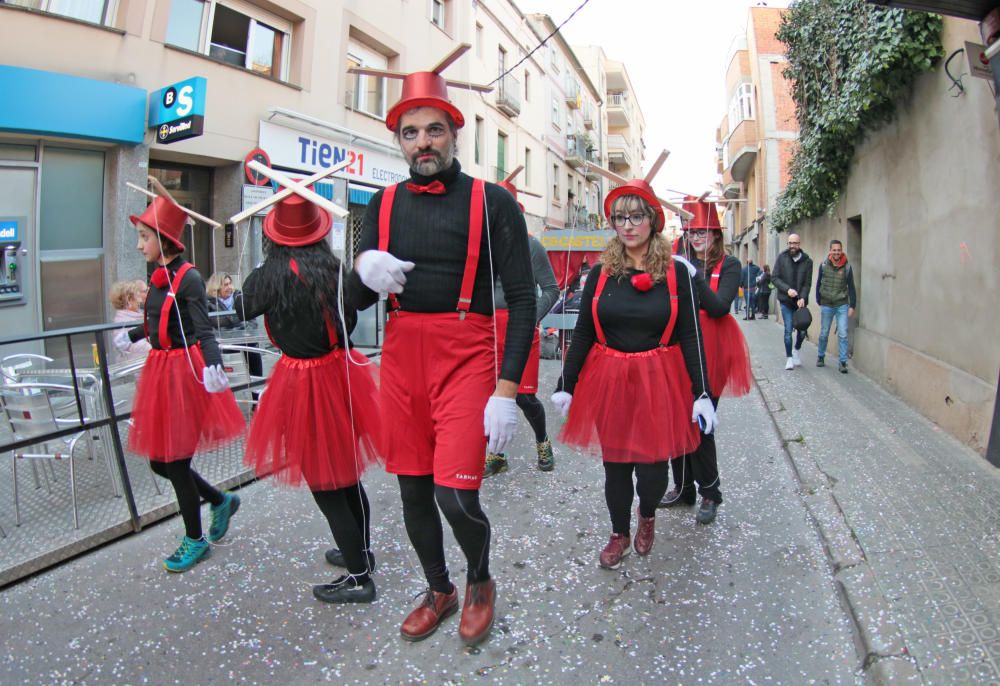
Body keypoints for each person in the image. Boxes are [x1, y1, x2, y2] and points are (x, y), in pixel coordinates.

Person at [349, 65, 535, 646]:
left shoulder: (494, 202)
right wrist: (359, 268)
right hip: (402, 356)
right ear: (398, 139)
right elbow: (351, 302)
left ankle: (479, 580)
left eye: (434, 130)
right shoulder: (376, 207)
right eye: (410, 132)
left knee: (456, 494)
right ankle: (439, 588)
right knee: (411, 490)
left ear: (455, 133)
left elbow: (525, 301)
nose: (423, 142)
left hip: (467, 355)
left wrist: (507, 392)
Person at [551, 181, 716, 570]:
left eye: (635, 216)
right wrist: (566, 385)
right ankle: (618, 533)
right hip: (610, 378)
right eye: (619, 218)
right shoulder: (602, 274)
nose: (626, 226)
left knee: (653, 467)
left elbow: (691, 334)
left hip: (659, 378)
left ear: (653, 221)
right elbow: (585, 332)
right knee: (615, 465)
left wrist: (702, 392)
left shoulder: (676, 274)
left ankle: (647, 514)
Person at [233, 193, 382, 604]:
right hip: (341, 373)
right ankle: (361, 554)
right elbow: (350, 319)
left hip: (304, 381)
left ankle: (358, 578)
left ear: (274, 237)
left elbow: (241, 310)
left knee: (325, 483)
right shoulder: (334, 269)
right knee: (346, 472)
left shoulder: (269, 277)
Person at [119, 195, 244, 573]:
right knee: (160, 461)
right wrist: (133, 333)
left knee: (174, 462)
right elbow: (161, 321)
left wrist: (215, 367)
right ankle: (220, 500)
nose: (139, 245)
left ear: (164, 237)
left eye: (144, 236)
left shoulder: (188, 277)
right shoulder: (157, 277)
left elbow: (202, 329)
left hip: (183, 375)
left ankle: (195, 539)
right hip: (160, 371)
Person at [658, 198, 750, 523]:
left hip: (714, 350)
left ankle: (710, 492)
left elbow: (719, 306)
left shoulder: (730, 265)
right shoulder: (677, 260)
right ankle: (683, 489)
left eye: (704, 231)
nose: (697, 237)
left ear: (715, 234)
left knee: (701, 420)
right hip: (681, 349)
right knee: (676, 419)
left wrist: (694, 275)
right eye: (692, 231)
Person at [483, 182, 560, 476]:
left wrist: (530, 318)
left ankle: (543, 441)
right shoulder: (482, 247)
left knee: (523, 396)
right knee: (490, 394)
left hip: (520, 327)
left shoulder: (531, 246)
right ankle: (497, 453)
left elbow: (552, 290)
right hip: (487, 331)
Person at [771, 233, 814, 370]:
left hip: (800, 303)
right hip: (785, 301)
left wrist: (803, 297)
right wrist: (787, 289)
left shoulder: (807, 261)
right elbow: (775, 278)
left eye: (795, 243)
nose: (792, 246)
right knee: (788, 331)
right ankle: (789, 358)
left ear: (799, 244)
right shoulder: (781, 258)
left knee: (802, 332)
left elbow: (807, 283)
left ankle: (796, 350)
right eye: (790, 243)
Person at [815, 239, 857, 373]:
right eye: (834, 250)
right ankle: (821, 356)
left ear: (841, 250)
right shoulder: (823, 265)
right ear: (830, 251)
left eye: (839, 250)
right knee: (824, 333)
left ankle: (843, 362)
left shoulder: (847, 267)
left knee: (843, 333)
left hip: (841, 304)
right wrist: (819, 300)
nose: (836, 252)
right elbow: (818, 284)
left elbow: (851, 288)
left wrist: (852, 306)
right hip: (827, 304)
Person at [109, 279, 151, 363]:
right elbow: (132, 345)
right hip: (135, 369)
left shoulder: (137, 315)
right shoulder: (122, 322)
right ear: (129, 299)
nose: (139, 301)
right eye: (137, 296)